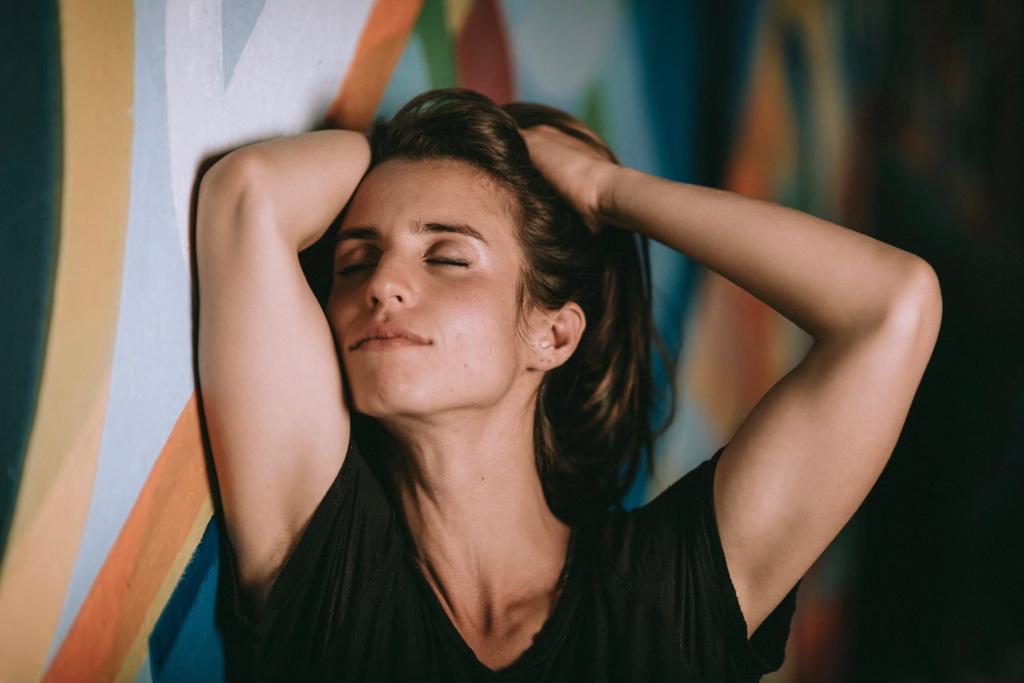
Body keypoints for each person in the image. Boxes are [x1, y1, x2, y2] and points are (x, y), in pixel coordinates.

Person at [196, 88, 941, 682]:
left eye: (447, 258)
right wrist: (397, 147)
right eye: (355, 262)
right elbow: (248, 195)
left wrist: (607, 189)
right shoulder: (329, 569)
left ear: (552, 334)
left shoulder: (667, 600)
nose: (382, 283)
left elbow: (891, 308)